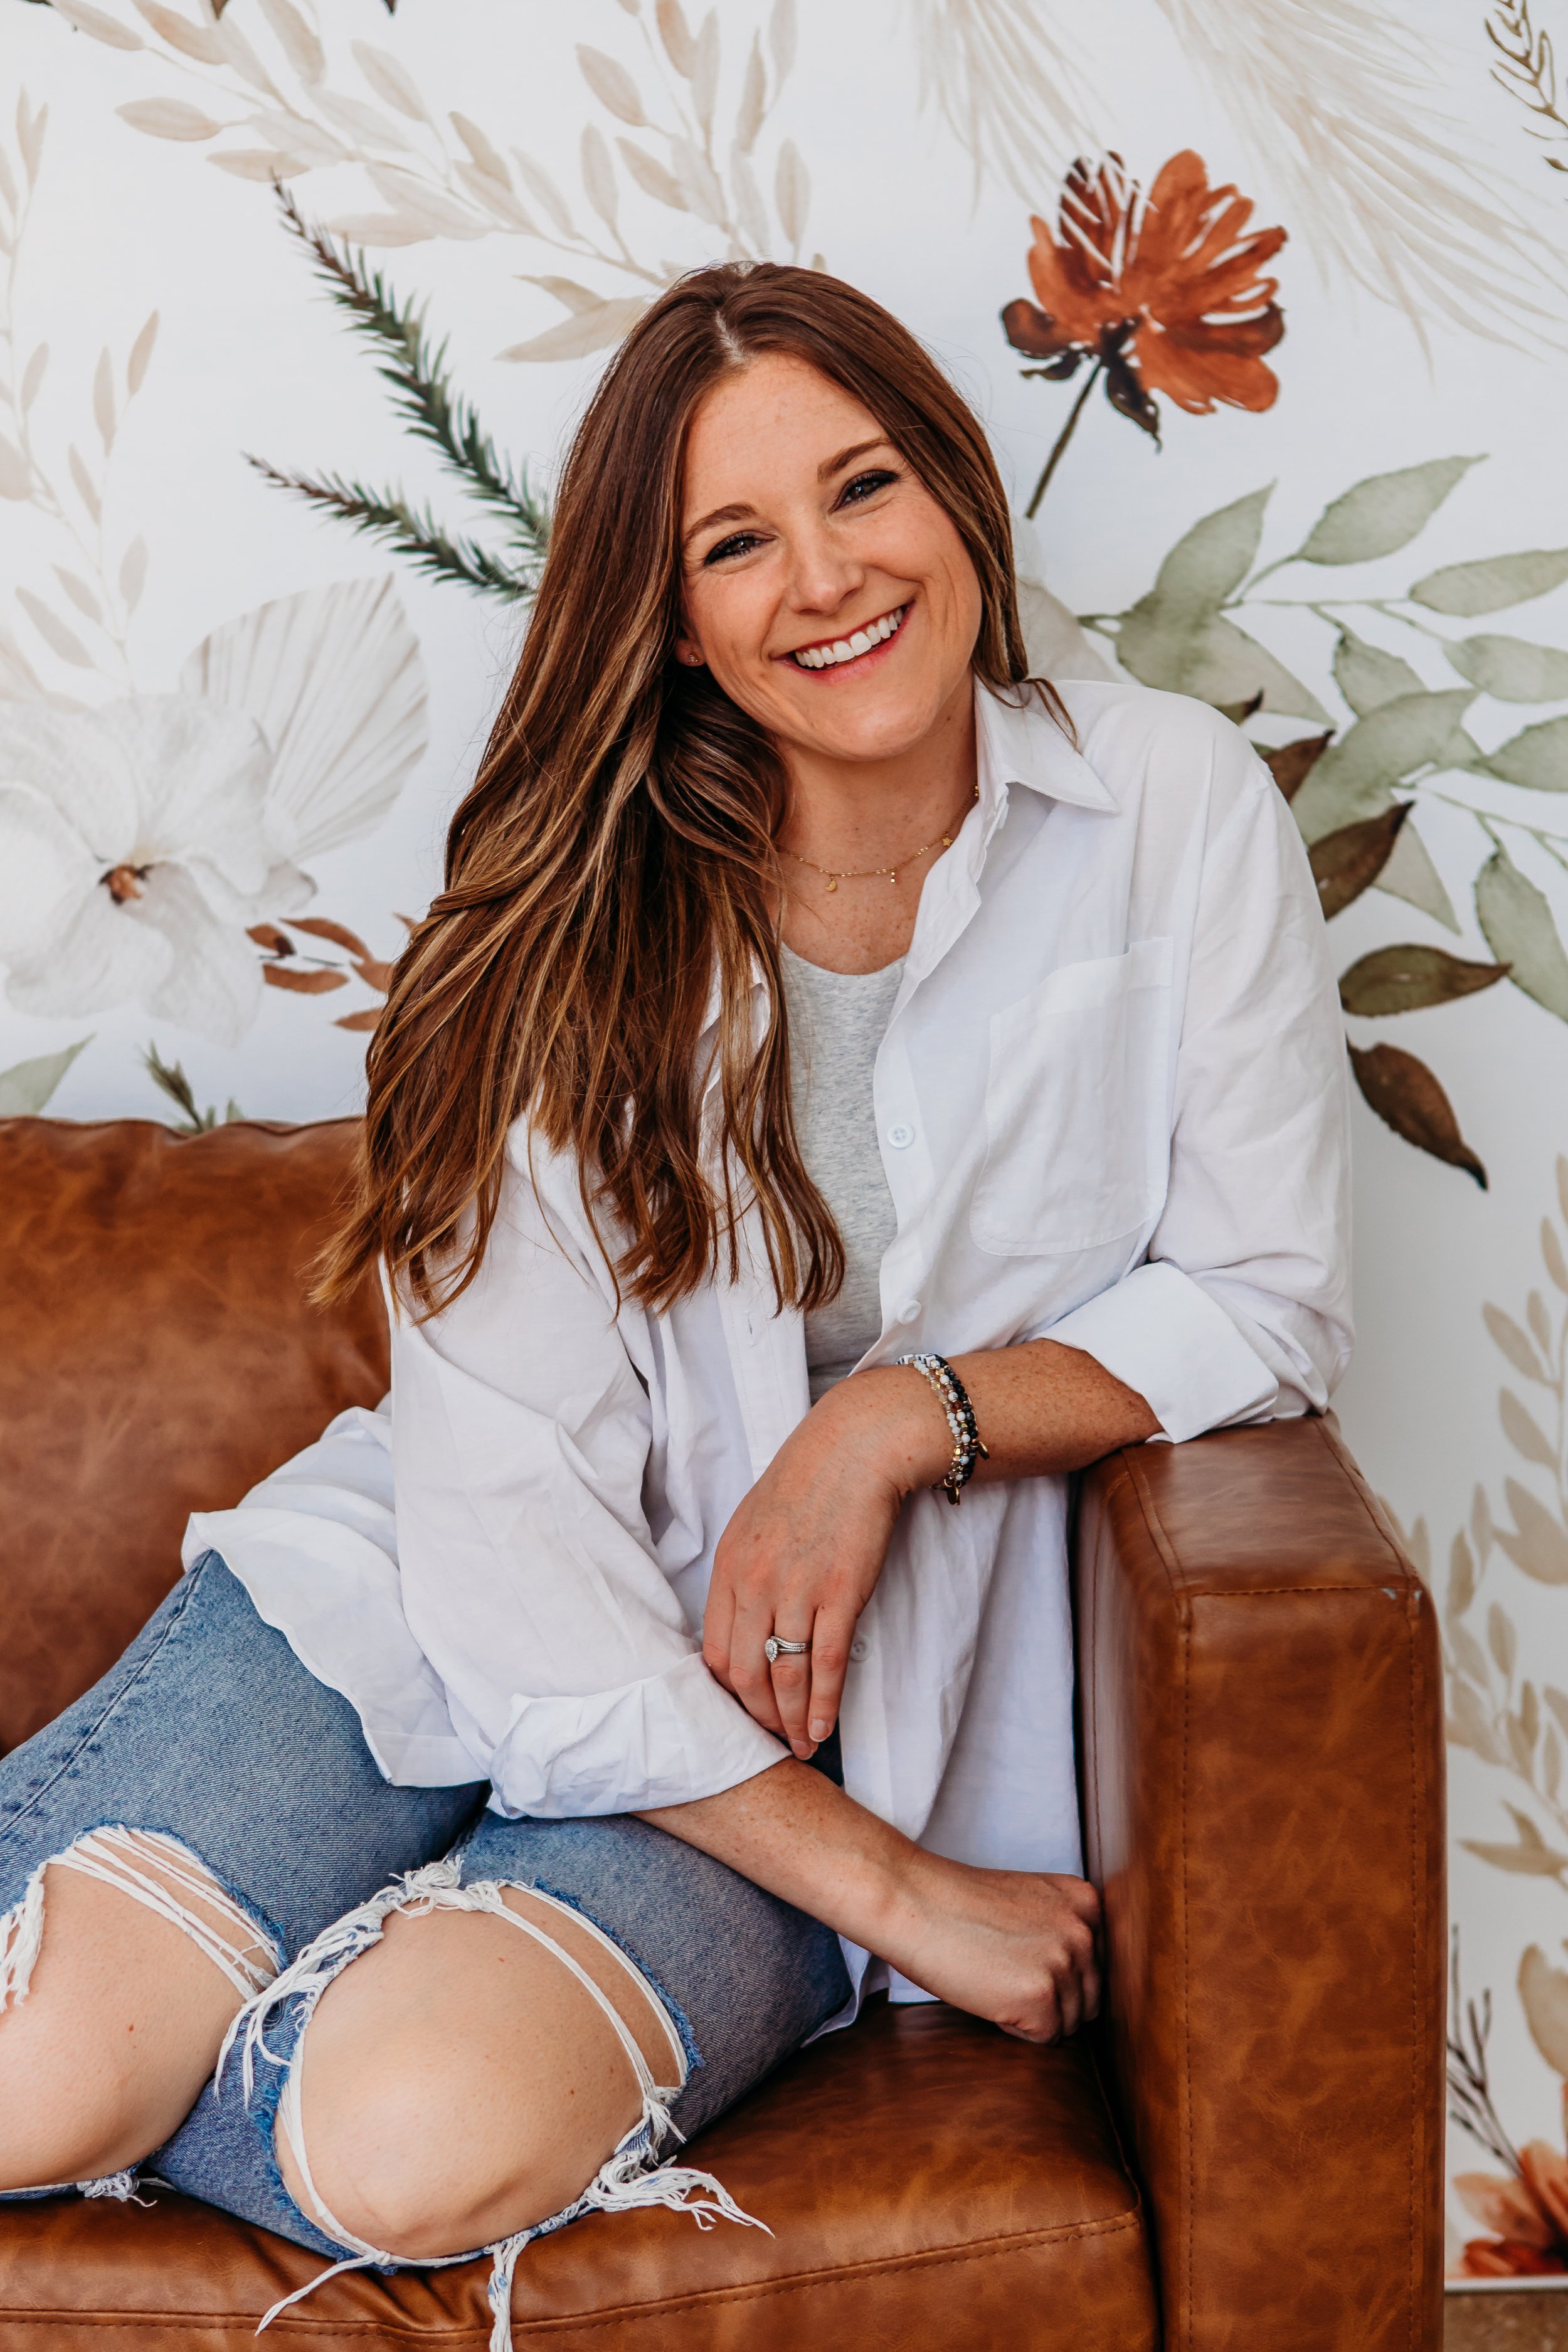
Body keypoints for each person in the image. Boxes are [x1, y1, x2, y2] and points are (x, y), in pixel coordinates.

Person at [0, 262, 1350, 2340]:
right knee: (31, 2080)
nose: (825, 576)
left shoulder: (1167, 806)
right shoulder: (562, 928)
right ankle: (170, 1991)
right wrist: (902, 1902)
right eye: (735, 541)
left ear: (957, 492)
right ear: (675, 612)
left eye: (863, 486)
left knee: (408, 2143)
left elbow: (1261, 1295)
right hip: (428, 1608)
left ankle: (256, 1985)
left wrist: (895, 1420)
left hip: (800, 1724)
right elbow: (507, 1540)